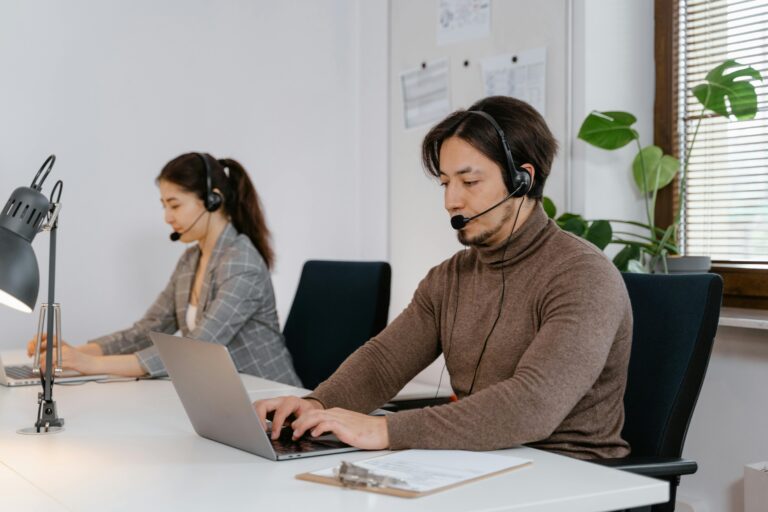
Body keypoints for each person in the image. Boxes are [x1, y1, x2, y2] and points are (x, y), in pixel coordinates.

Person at [254, 96, 633, 459]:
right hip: (483, 461)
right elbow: (385, 361)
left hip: (573, 476)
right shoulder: (451, 277)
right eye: (445, 183)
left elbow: (532, 404)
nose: (451, 201)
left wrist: (385, 430)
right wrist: (314, 406)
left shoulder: (583, 276)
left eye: (469, 183)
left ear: (522, 180)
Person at [29, 153, 301, 386]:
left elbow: (194, 350)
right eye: (164, 206)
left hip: (272, 397)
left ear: (213, 200)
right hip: (225, 396)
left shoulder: (242, 264)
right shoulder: (191, 260)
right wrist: (77, 352)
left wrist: (90, 364)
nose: (167, 217)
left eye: (175, 205)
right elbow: (147, 330)